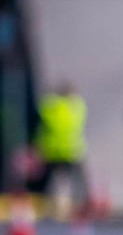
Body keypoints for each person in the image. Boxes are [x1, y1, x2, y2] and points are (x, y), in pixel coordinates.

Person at [28, 81, 89, 214]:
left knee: (47, 183)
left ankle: (44, 208)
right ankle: (81, 206)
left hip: (52, 150)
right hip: (73, 150)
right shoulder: (77, 106)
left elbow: (39, 122)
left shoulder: (50, 107)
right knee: (79, 183)